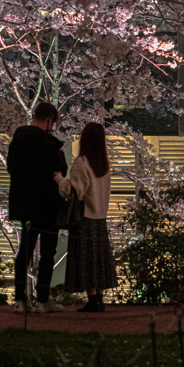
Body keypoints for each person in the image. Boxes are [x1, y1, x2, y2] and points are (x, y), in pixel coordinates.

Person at [7, 100, 68, 313]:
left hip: (24, 204)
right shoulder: (49, 144)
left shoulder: (18, 139)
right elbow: (61, 169)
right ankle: (42, 299)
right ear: (50, 119)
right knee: (48, 252)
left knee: (25, 250)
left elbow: (10, 167)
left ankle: (19, 300)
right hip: (47, 205)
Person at [57, 121, 117, 312]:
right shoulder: (104, 165)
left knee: (86, 258)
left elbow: (76, 191)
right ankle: (99, 298)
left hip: (85, 217)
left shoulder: (81, 162)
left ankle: (92, 299)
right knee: (99, 258)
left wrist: (59, 179)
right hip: (101, 218)